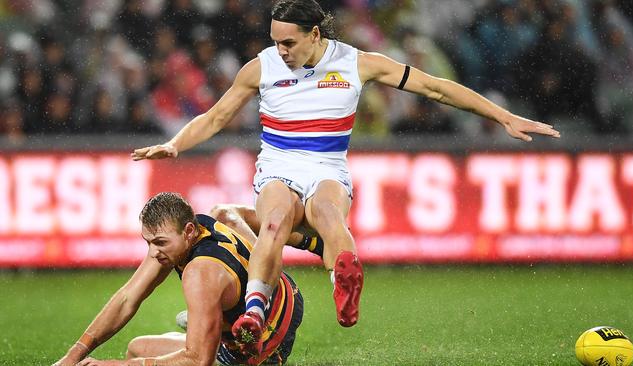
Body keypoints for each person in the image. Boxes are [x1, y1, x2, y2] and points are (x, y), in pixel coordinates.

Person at [131, 0, 561, 354]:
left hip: (327, 165)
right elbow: (216, 117)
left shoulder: (358, 63)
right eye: (275, 42)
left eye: (289, 42)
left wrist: (502, 116)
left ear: (315, 34)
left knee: (329, 216)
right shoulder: (261, 68)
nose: (280, 50)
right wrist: (177, 144)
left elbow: (436, 88)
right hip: (279, 164)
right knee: (276, 221)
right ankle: (255, 312)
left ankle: (343, 284)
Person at [52, 192, 317, 366]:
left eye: (160, 243)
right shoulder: (200, 225)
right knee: (225, 212)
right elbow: (126, 299)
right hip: (287, 296)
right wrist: (73, 354)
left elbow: (197, 360)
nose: (154, 252)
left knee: (136, 351)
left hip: (262, 343)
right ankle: (304, 240)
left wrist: (111, 365)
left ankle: (213, 321)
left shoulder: (200, 273)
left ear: (188, 231)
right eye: (148, 243)